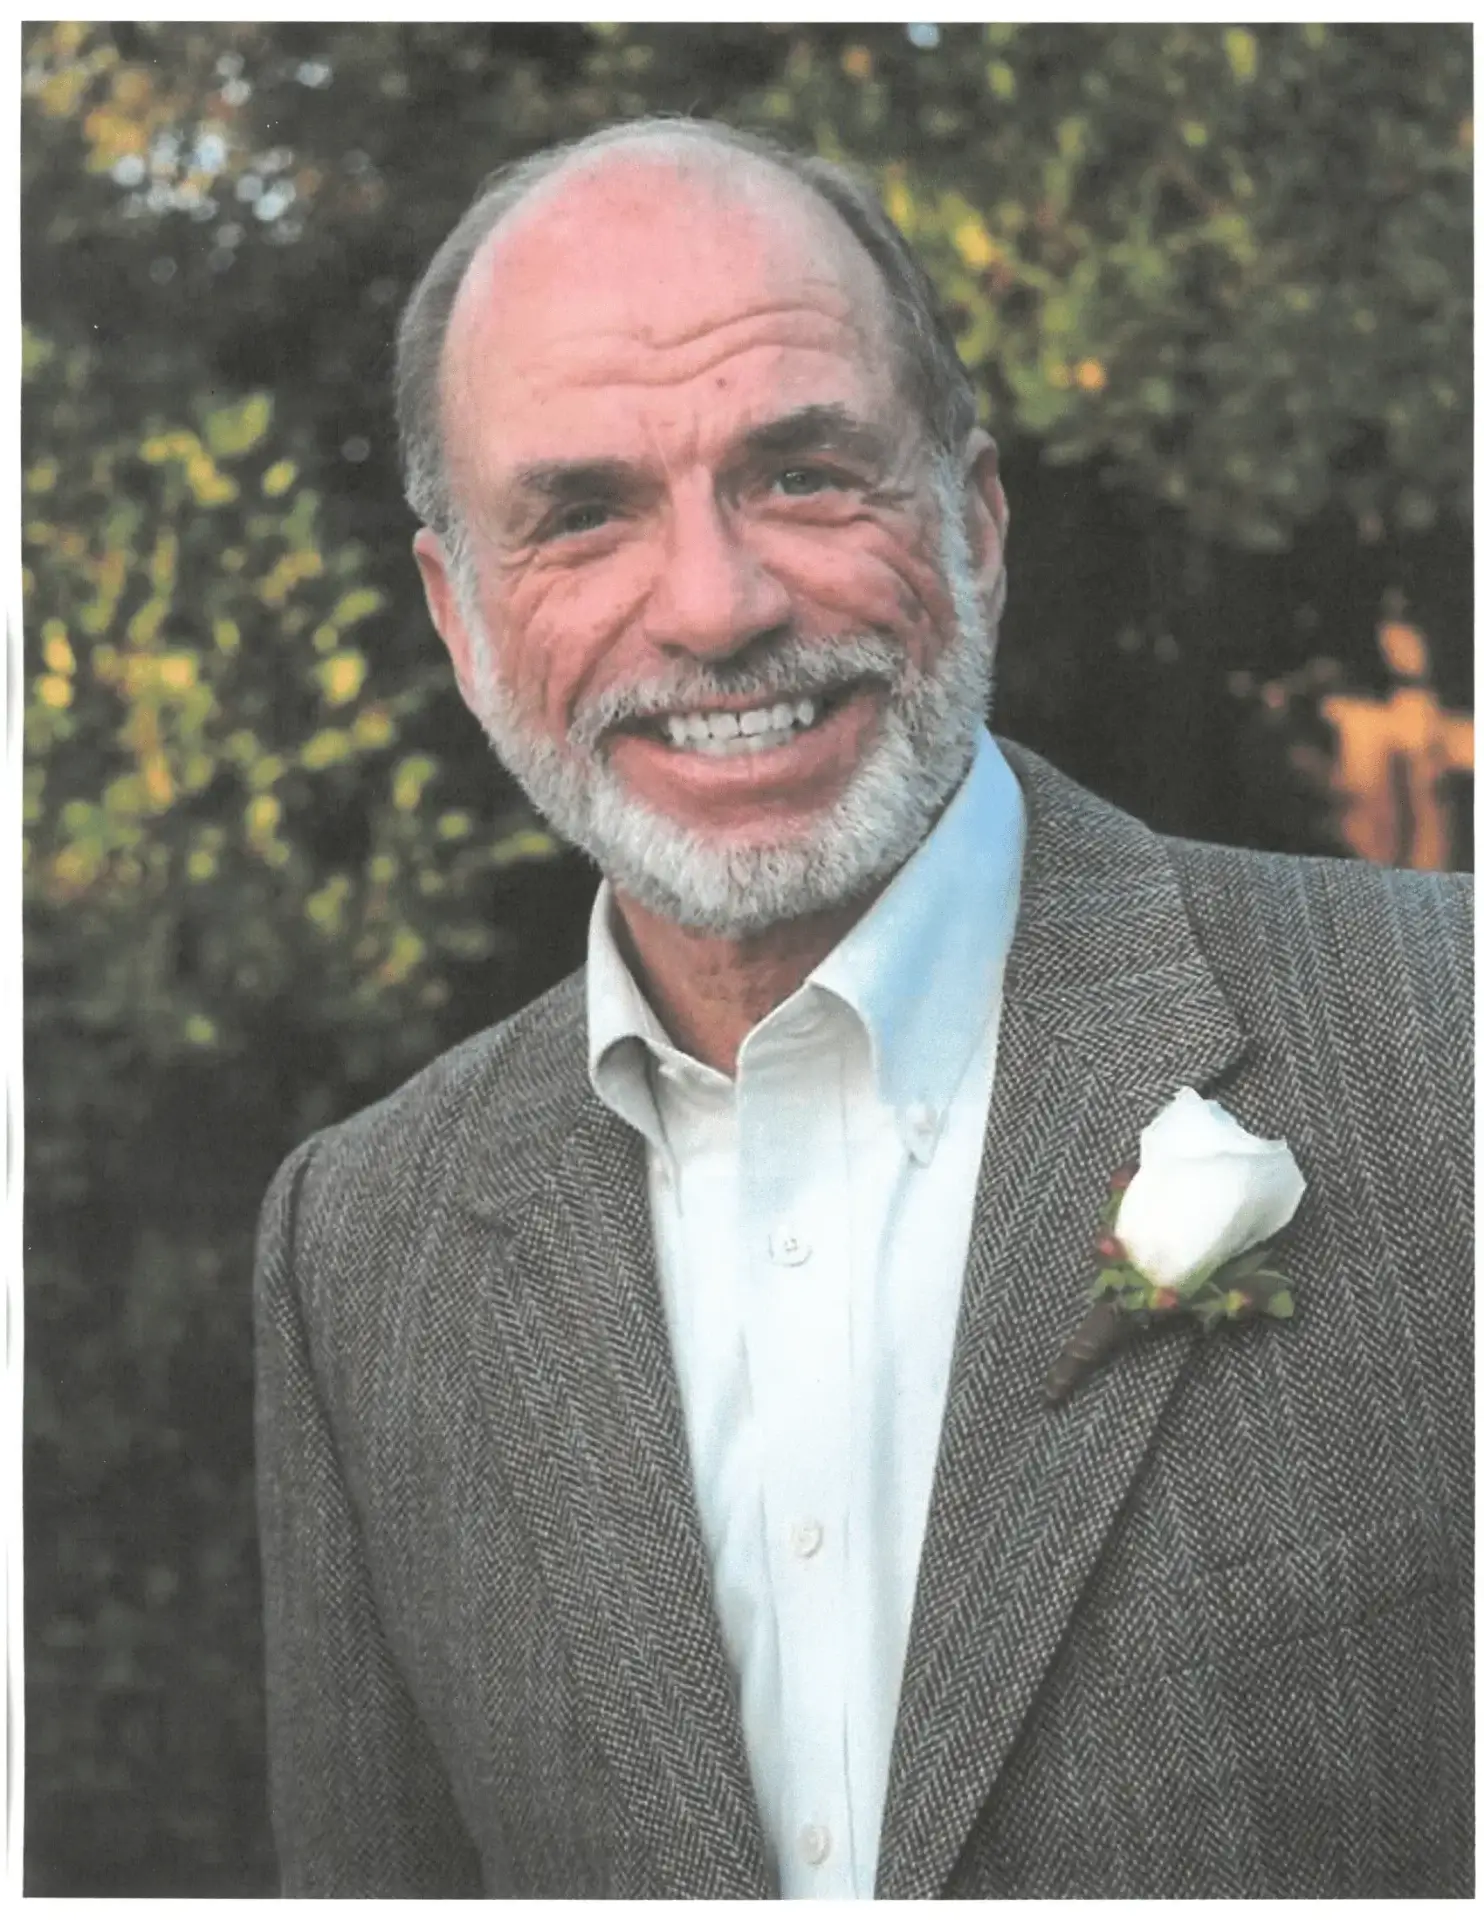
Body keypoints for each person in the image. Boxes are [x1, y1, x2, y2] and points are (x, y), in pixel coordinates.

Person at [253, 117, 1473, 1899]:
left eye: (804, 474)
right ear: (456, 610)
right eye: (581, 515)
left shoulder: (1450, 1043)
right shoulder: (357, 1248)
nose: (716, 605)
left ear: (974, 519)